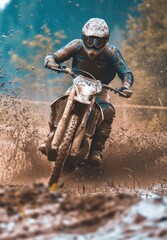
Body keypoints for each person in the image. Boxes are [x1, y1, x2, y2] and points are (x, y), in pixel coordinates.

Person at [39, 18, 134, 166]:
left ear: (106, 40)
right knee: (59, 102)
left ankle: (96, 150)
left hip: (100, 89)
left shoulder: (112, 52)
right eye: (90, 40)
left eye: (98, 42)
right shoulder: (76, 45)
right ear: (84, 37)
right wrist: (51, 61)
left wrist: (126, 86)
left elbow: (126, 72)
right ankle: (50, 137)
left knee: (108, 111)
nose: (93, 46)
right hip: (77, 85)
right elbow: (55, 55)